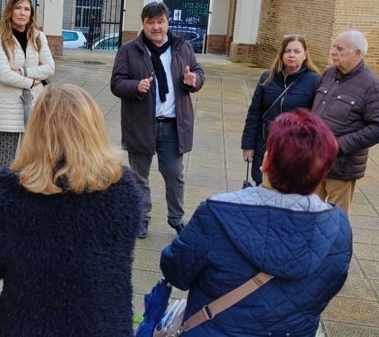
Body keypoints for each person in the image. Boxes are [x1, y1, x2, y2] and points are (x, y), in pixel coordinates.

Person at [160, 109, 352, 336]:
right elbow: (329, 286)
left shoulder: (216, 213)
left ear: (267, 161)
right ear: (322, 172)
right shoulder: (339, 225)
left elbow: (176, 273)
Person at [0, 83, 142, 336]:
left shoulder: (14, 190)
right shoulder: (122, 188)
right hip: (101, 323)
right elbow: (121, 252)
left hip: (27, 324)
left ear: (37, 130)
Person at [110, 1, 204, 238]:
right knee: (139, 176)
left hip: (173, 124)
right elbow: (116, 83)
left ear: (167, 22)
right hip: (141, 124)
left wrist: (195, 80)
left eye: (160, 21)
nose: (156, 27)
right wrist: (135, 86)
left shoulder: (182, 47)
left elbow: (198, 71)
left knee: (174, 174)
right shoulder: (129, 50)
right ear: (143, 24)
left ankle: (176, 218)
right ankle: (141, 218)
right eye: (150, 22)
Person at [312, 29, 379, 214]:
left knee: (334, 221)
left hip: (341, 167)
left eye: (339, 48)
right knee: (309, 214)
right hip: (314, 161)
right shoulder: (329, 74)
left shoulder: (372, 85)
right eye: (333, 47)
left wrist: (338, 145)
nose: (332, 51)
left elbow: (376, 128)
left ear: (357, 53)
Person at [0, 0, 55, 176]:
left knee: (33, 158)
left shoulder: (38, 37)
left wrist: (24, 72)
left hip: (35, 103)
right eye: (18, 8)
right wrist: (33, 81)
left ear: (31, 13)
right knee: (6, 160)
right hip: (8, 106)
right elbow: (4, 75)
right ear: (10, 11)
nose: (22, 13)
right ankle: (3, 199)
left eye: (26, 9)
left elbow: (49, 68)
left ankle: (29, 198)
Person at [241, 34, 320, 185]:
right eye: (287, 51)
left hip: (295, 150)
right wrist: (248, 145)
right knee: (262, 189)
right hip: (265, 146)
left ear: (305, 55)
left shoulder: (314, 81)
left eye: (297, 51)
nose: (291, 55)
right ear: (281, 54)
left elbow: (316, 121)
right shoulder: (268, 77)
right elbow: (254, 113)